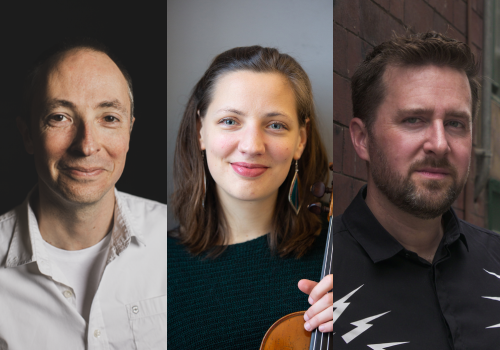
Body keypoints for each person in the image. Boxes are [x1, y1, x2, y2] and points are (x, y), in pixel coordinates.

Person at [329, 31, 500, 349]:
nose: (439, 144)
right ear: (362, 139)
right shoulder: (314, 273)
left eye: (455, 123)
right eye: (414, 120)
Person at [0, 39, 167, 349]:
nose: (87, 145)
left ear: (129, 131)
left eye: (109, 118)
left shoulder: (175, 236)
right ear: (27, 135)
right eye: (60, 117)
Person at [168, 46, 334, 349]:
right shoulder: (151, 267)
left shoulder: (343, 254)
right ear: (200, 131)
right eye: (230, 121)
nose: (252, 146)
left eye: (275, 125)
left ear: (301, 139)